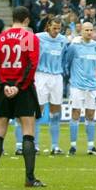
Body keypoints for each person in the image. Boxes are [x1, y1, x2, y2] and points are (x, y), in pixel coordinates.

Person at [0, 7, 45, 188]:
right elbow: (31, 65)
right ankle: (29, 178)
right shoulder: (29, 38)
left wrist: (4, 85)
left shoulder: (0, 38)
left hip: (4, 88)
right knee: (28, 132)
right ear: (26, 20)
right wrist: (18, 86)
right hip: (24, 88)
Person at [63, 22, 96, 156]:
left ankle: (91, 147)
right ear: (81, 31)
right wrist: (71, 78)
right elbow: (67, 63)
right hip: (77, 85)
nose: (89, 32)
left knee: (90, 115)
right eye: (86, 30)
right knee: (75, 113)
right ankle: (73, 146)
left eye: (91, 30)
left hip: (92, 86)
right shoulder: (74, 46)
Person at [35, 18, 68, 155]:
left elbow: (65, 57)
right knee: (38, 111)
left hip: (56, 77)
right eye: (54, 28)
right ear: (48, 26)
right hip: (41, 75)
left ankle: (55, 146)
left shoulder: (63, 40)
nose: (56, 31)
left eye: (58, 29)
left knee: (55, 112)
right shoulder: (38, 38)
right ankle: (35, 145)